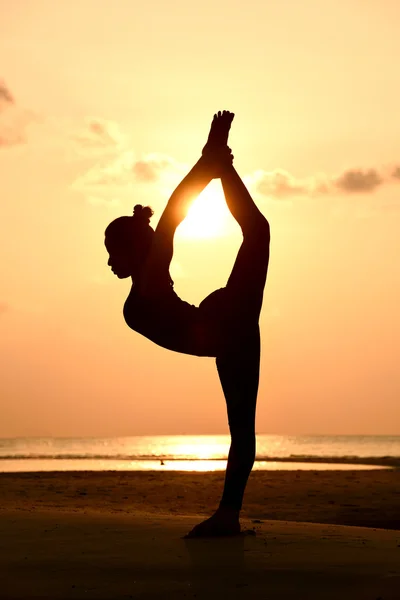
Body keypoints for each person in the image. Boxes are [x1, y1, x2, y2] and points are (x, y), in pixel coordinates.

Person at [104, 111, 270, 537]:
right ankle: (228, 516)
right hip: (224, 332)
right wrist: (211, 163)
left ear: (133, 249)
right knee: (258, 232)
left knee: (258, 232)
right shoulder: (145, 288)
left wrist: (206, 161)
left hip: (225, 323)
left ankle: (228, 516)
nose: (108, 261)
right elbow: (171, 219)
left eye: (112, 252)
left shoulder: (152, 277)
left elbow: (173, 215)